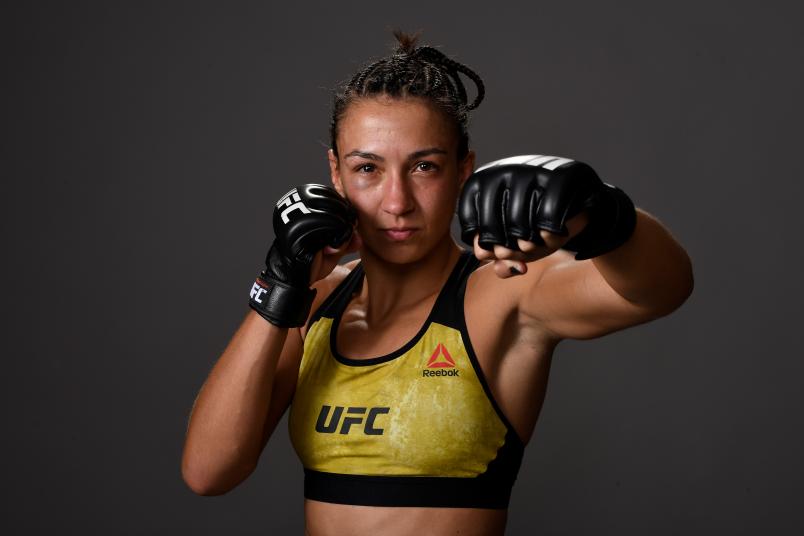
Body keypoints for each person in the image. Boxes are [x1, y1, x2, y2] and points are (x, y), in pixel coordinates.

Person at [181, 31, 694, 536]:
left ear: (464, 170)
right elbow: (208, 472)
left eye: (424, 166)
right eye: (368, 168)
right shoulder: (313, 303)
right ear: (335, 175)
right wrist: (280, 282)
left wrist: (605, 212)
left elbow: (662, 288)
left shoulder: (503, 290)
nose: (397, 201)